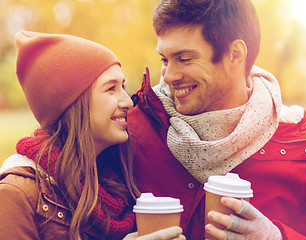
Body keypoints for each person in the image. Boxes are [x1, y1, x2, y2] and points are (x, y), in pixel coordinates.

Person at [127, 0, 306, 239]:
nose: (169, 76)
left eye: (185, 59)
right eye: (164, 60)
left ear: (235, 54)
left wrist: (277, 237)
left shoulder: (303, 149)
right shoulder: (132, 130)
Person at [0, 30, 185, 240]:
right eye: (110, 89)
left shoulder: (117, 181)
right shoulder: (16, 194)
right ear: (72, 103)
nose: (128, 102)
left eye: (122, 87)